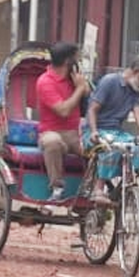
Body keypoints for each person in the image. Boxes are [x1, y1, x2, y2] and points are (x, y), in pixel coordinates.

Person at [85, 55, 139, 205]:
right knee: (111, 147)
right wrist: (93, 131)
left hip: (116, 132)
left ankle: (127, 183)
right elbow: (92, 109)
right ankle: (98, 189)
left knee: (136, 148)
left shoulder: (134, 92)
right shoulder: (110, 82)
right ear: (137, 71)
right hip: (96, 130)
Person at [35, 42, 90, 202]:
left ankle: (92, 187)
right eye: (76, 58)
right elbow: (63, 111)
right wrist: (79, 89)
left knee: (97, 146)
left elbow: (88, 92)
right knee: (53, 142)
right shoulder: (45, 82)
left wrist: (81, 85)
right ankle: (57, 186)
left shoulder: (73, 78)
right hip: (51, 131)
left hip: (74, 133)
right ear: (68, 61)